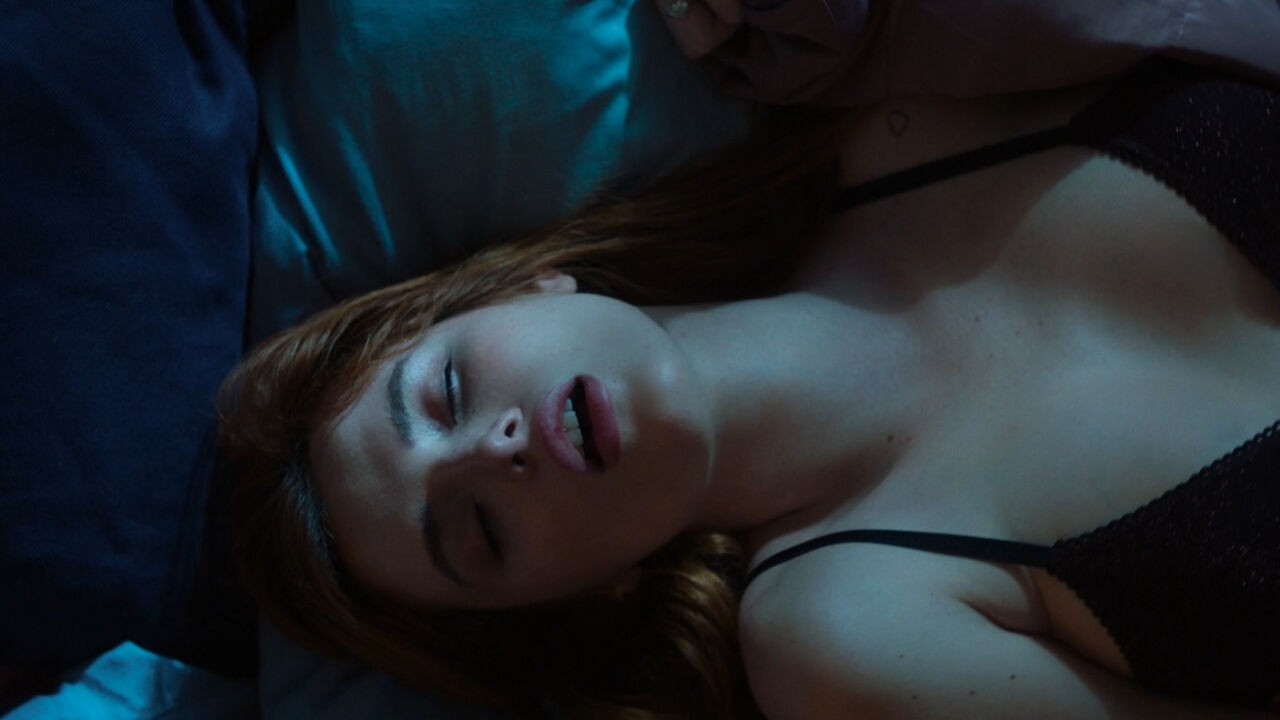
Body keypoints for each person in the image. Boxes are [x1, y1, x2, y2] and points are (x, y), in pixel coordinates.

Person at [218, 42, 1280, 720]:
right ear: (586, 595)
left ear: (520, 288)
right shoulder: (838, 634)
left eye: (445, 396)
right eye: (477, 532)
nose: (492, 453)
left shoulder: (883, 100)